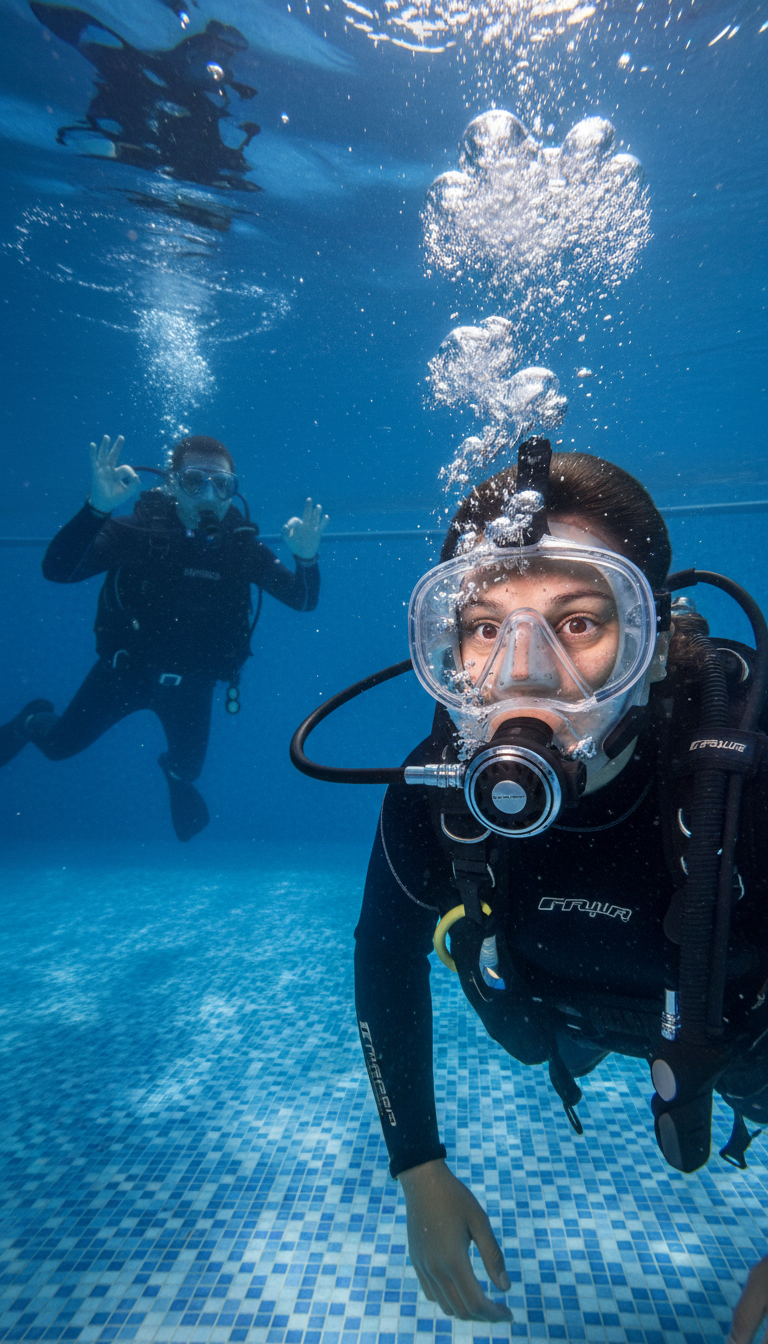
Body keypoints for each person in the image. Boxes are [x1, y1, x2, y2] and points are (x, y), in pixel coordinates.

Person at [290, 439, 768, 1334]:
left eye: (578, 622)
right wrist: (418, 1167)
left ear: (654, 639)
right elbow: (384, 952)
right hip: (557, 1016)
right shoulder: (440, 788)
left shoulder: (744, 762)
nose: (525, 670)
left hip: (741, 1041)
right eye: (484, 627)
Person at [0, 432, 327, 840]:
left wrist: (307, 558)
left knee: (187, 770)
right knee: (58, 747)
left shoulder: (239, 548)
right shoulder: (137, 531)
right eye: (194, 482)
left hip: (192, 687)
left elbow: (302, 600)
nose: (209, 495)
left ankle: (171, 774)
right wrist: (97, 508)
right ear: (172, 484)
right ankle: (29, 720)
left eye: (222, 485)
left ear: (232, 490)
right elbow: (58, 570)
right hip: (123, 674)